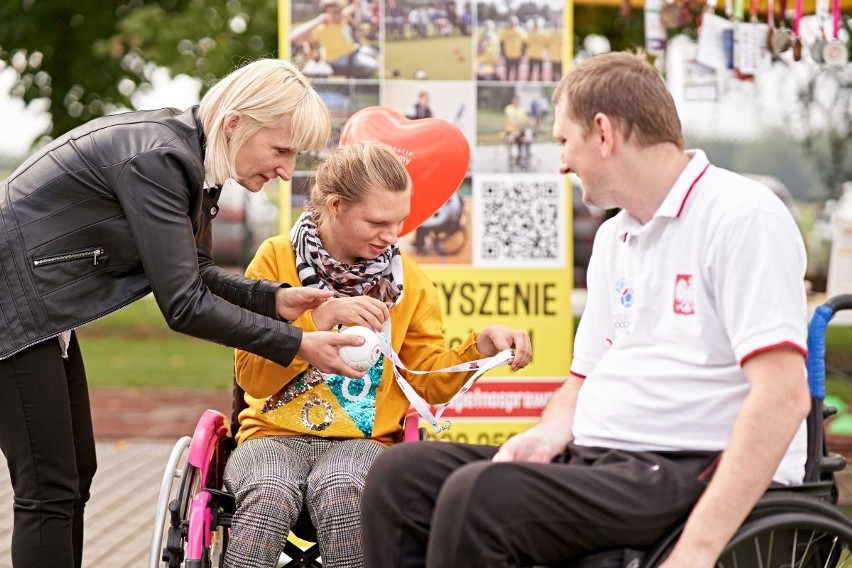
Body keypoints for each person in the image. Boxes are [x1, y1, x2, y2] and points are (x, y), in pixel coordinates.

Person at [362, 50, 811, 568]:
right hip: (605, 461)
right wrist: (546, 436)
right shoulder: (614, 237)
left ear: (603, 132)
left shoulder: (741, 216)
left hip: (688, 462)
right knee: (400, 477)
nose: (561, 163)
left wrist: (697, 552)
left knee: (478, 498)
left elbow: (782, 397)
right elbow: (582, 379)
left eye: (563, 141)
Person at [0, 58, 371, 568]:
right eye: (281, 150)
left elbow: (193, 274)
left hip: (39, 314)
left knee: (72, 477)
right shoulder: (159, 160)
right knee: (48, 489)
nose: (287, 170)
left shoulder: (189, 160)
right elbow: (183, 304)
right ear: (235, 123)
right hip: (14, 313)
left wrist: (275, 299)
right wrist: (300, 345)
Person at [222, 141, 532, 568]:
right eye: (376, 222)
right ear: (335, 206)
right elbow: (252, 378)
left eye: (400, 220)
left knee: (344, 486)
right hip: (270, 436)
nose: (393, 235)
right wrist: (316, 323)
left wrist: (481, 346)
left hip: (364, 443)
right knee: (270, 488)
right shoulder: (276, 260)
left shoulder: (411, 284)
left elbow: (424, 380)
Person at [289, 0, 379, 79]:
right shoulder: (322, 29)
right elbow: (293, 37)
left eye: (339, 10)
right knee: (373, 66)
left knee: (375, 52)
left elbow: (355, 5)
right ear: (326, 15)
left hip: (353, 51)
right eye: (334, 12)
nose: (339, 14)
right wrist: (319, 20)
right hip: (339, 60)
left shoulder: (342, 17)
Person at [503, 95, 534, 166]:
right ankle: (511, 139)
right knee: (517, 133)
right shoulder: (509, 108)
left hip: (520, 132)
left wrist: (532, 121)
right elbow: (512, 118)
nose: (517, 102)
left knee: (527, 136)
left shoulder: (521, 109)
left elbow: (526, 119)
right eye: (515, 100)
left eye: (518, 101)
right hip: (510, 131)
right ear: (512, 101)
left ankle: (525, 157)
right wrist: (517, 124)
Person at [500, 15, 527, 82]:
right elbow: (502, 43)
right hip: (508, 55)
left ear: (517, 22)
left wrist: (523, 53)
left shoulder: (521, 31)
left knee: (517, 74)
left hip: (517, 55)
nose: (512, 23)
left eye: (514, 21)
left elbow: (525, 43)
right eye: (511, 21)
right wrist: (503, 53)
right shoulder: (505, 31)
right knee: (507, 73)